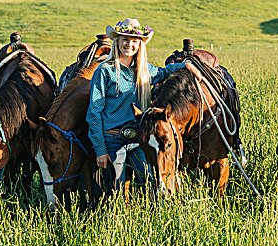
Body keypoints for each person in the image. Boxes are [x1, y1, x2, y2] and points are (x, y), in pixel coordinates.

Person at [86, 18, 201, 201]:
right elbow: (94, 112)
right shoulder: (104, 71)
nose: (129, 44)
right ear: (117, 42)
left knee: (151, 183)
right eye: (125, 39)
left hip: (139, 139)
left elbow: (165, 72)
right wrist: (100, 149)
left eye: (134, 41)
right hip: (113, 138)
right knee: (116, 192)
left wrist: (186, 65)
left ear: (139, 45)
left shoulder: (143, 70)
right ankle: (117, 223)